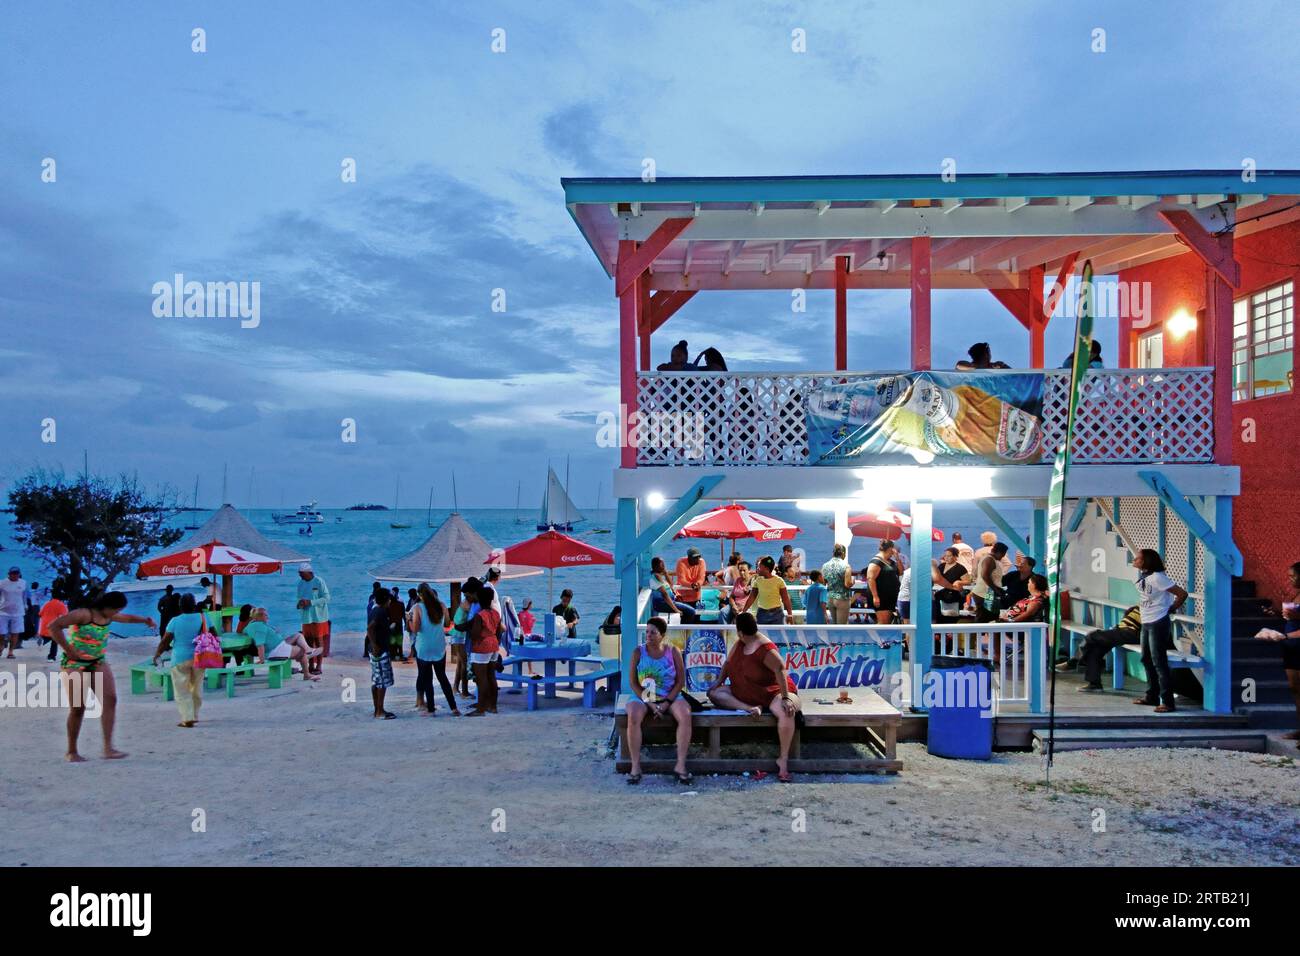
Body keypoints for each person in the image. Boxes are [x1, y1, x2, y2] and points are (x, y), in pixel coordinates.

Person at [48, 591, 154, 760]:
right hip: (74, 664)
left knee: (110, 700)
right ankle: (72, 751)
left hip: (98, 661)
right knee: (78, 708)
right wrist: (69, 649)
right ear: (107, 607)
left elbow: (127, 618)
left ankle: (108, 748)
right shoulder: (84, 614)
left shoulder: (109, 616)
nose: (117, 613)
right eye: (116, 610)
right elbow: (53, 626)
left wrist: (145, 620)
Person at [707, 612, 801, 783]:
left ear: (741, 632)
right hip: (744, 692)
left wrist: (786, 697)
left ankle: (783, 760)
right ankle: (749, 708)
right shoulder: (740, 643)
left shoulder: (765, 648)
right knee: (715, 694)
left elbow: (780, 669)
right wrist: (718, 682)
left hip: (772, 691)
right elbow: (728, 664)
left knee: (787, 711)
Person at [624, 616, 692, 784]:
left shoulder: (673, 651)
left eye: (653, 633)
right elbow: (633, 682)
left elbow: (680, 681)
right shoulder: (638, 652)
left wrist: (667, 702)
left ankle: (680, 765)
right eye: (647, 632)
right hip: (644, 697)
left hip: (670, 695)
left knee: (685, 715)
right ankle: (635, 766)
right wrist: (651, 704)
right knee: (633, 715)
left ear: (662, 634)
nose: (648, 635)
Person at [1132, 548, 1188, 713]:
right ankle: (1152, 696)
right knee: (1146, 659)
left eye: (1138, 558)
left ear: (1146, 561)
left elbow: (1182, 594)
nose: (1135, 559)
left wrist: (1171, 609)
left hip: (1158, 622)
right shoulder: (1145, 577)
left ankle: (1168, 702)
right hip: (1146, 621)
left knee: (1159, 662)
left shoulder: (1158, 578)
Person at [151, 593, 209, 728]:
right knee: (197, 687)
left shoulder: (175, 621)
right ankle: (194, 715)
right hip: (199, 657)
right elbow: (213, 633)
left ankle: (187, 718)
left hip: (180, 658)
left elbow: (166, 640)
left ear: (180, 606)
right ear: (194, 605)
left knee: (181, 690)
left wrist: (157, 653)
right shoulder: (203, 618)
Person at [409, 583, 458, 716]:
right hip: (439, 646)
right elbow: (447, 624)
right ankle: (454, 708)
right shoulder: (441, 605)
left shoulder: (417, 607)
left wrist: (408, 620)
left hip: (424, 646)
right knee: (442, 677)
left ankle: (431, 709)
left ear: (420, 595)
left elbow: (415, 629)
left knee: (427, 679)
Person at [1070, 604, 1141, 691]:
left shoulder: (1155, 607)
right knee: (1095, 649)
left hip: (1131, 634)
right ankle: (1094, 684)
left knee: (1092, 636)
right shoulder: (1140, 605)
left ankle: (1074, 661)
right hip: (1120, 630)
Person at [244, 607, 322, 678]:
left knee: (298, 635)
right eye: (266, 615)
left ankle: (308, 650)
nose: (268, 617)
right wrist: (262, 660)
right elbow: (260, 644)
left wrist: (274, 633)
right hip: (276, 650)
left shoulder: (255, 625)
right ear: (259, 617)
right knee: (301, 651)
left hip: (278, 645)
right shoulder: (259, 627)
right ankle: (306, 673)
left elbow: (246, 631)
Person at [465, 585, 503, 716]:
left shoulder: (479, 615)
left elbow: (475, 635)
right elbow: (499, 630)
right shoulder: (496, 613)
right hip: (494, 645)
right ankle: (493, 706)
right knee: (491, 676)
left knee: (481, 679)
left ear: (480, 599)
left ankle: (480, 709)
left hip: (481, 647)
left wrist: (468, 629)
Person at [296, 564, 331, 675]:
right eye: (299, 573)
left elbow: (327, 598)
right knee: (308, 642)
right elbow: (299, 598)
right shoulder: (300, 583)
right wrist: (300, 604)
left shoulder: (319, 581)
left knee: (318, 641)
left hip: (318, 617)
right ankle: (310, 665)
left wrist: (311, 602)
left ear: (309, 572)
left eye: (301, 573)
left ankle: (319, 666)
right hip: (306, 617)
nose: (300, 575)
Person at [366, 587, 396, 719]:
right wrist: (375, 644)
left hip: (376, 649)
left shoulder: (374, 609)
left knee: (376, 680)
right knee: (382, 682)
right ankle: (379, 711)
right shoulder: (380, 611)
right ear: (386, 600)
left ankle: (378, 709)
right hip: (379, 650)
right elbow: (370, 628)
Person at [743, 556, 792, 626]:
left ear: (766, 569)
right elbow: (752, 597)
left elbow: (786, 599)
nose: (757, 569)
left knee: (777, 635)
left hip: (777, 614)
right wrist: (743, 612)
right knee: (762, 635)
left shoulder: (779, 581)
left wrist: (790, 614)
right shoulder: (757, 581)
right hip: (762, 613)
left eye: (759, 567)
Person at [865, 540, 902, 625]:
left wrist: (897, 558)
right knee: (883, 622)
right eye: (893, 549)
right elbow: (870, 578)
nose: (894, 551)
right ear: (890, 549)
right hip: (881, 597)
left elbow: (901, 572)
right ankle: (878, 638)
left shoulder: (890, 561)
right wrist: (875, 596)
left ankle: (884, 638)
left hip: (889, 597)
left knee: (887, 622)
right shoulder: (876, 561)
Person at [649, 557, 698, 622]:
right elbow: (665, 595)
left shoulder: (659, 576)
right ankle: (684, 629)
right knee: (691, 611)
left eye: (664, 564)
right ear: (655, 566)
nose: (664, 566)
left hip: (669, 602)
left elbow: (671, 584)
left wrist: (666, 574)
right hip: (662, 604)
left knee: (689, 608)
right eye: (662, 564)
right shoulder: (655, 578)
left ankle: (684, 628)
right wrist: (676, 610)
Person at [970, 542, 1008, 623]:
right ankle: (980, 635)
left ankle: (986, 635)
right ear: (999, 552)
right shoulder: (989, 559)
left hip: (988, 593)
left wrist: (998, 589)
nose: (1003, 556)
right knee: (984, 618)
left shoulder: (991, 559)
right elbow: (985, 575)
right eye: (1003, 554)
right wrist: (995, 590)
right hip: (984, 594)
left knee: (991, 617)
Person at [932, 547, 970, 621]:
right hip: (940, 594)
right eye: (945, 556)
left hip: (953, 595)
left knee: (951, 618)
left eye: (949, 556)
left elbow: (968, 581)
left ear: (955, 557)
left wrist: (960, 582)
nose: (946, 558)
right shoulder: (941, 566)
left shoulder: (960, 568)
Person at [821, 544, 854, 625]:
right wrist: (853, 581)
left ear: (833, 553)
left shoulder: (825, 566)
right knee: (842, 626)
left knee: (835, 625)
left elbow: (823, 583)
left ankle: (834, 638)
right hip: (842, 598)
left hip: (830, 598)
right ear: (843, 553)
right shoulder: (846, 566)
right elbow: (847, 584)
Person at [1, 566, 28, 657]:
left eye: (16, 573)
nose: (15, 575)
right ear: (9, 574)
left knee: (15, 632)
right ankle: (1, 646)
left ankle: (11, 651)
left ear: (19, 574)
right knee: (1, 633)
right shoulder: (2, 583)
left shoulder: (23, 583)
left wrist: (25, 606)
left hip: (18, 612)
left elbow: (24, 596)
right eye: (13, 573)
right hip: (3, 611)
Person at [38, 583, 69, 662]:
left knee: (48, 637)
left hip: (44, 627)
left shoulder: (47, 604)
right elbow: (65, 616)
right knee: (55, 641)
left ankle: (44, 641)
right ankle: (51, 657)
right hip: (53, 627)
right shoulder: (61, 605)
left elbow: (40, 614)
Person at [720, 560, 752, 625]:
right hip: (736, 605)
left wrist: (743, 608)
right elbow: (732, 596)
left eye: (744, 570)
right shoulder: (738, 580)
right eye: (740, 570)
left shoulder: (753, 581)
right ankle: (724, 633)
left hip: (747, 607)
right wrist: (734, 605)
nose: (742, 572)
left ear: (749, 570)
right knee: (723, 611)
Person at [386, 586, 406, 662]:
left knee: (392, 640)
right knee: (399, 640)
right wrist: (406, 624)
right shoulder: (400, 604)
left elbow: (387, 616)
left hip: (391, 625)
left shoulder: (388, 605)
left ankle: (393, 656)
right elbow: (403, 615)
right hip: (399, 624)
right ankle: (400, 655)